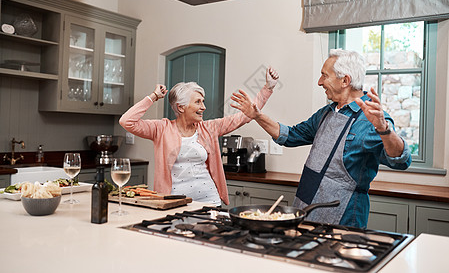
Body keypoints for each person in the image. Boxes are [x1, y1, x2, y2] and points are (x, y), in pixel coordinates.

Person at [231, 49, 412, 228]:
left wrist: (384, 129)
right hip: (307, 204)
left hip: (343, 213)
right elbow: (290, 135)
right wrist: (257, 116)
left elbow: (401, 160)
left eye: (324, 76)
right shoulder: (327, 113)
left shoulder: (372, 118)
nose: (319, 82)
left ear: (345, 81)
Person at [119, 68, 279, 206]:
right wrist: (153, 96)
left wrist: (268, 88)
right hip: (174, 203)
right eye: (198, 102)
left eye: (203, 101)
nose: (203, 107)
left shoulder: (208, 128)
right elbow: (127, 121)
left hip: (210, 201)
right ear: (181, 107)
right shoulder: (161, 129)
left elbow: (245, 116)